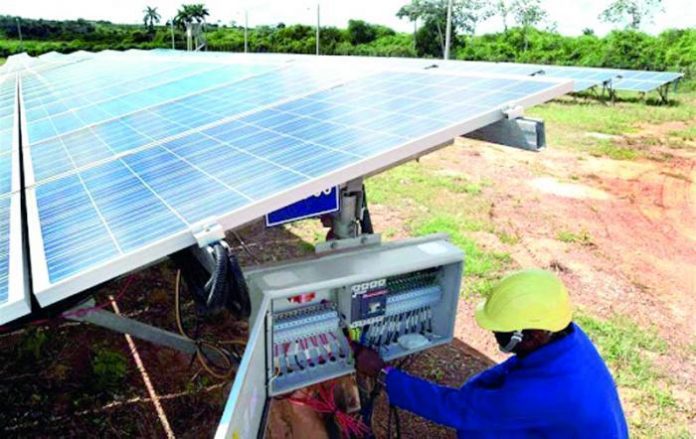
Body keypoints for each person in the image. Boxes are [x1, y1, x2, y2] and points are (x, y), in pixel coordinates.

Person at [354, 269, 629, 438]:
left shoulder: (536, 395)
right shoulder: (564, 335)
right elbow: (516, 369)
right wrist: (477, 387)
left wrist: (382, 374)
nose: (495, 336)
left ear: (531, 336)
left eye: (501, 332)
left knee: (479, 428)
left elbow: (457, 410)